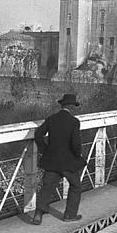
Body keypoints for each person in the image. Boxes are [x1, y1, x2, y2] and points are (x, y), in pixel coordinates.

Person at [32, 93, 86, 225]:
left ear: (62, 106)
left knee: (47, 187)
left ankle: (38, 214)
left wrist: (45, 150)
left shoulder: (51, 119)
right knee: (76, 186)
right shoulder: (74, 122)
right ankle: (69, 215)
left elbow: (38, 135)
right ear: (72, 107)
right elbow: (75, 143)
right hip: (68, 162)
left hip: (52, 160)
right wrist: (77, 156)